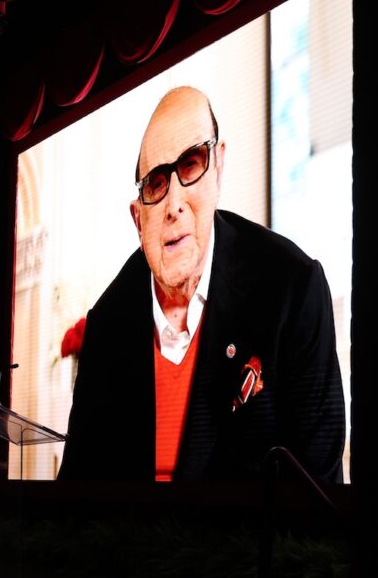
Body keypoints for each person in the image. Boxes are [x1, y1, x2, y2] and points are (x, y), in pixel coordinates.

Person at [60, 87, 345, 483]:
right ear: (138, 219)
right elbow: (77, 490)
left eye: (191, 164)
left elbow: (320, 497)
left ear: (218, 167)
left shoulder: (293, 289)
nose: (174, 205)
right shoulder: (108, 322)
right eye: (156, 184)